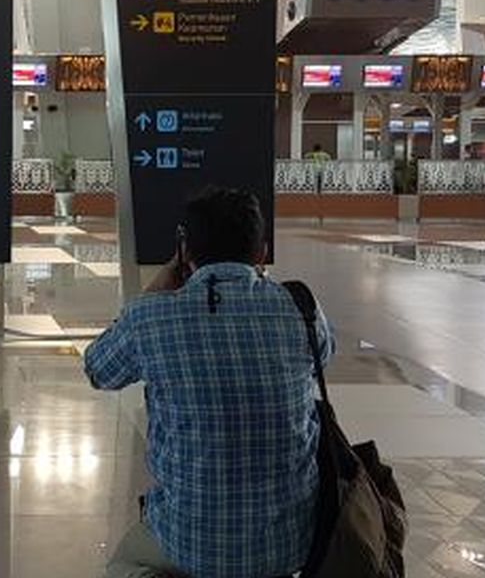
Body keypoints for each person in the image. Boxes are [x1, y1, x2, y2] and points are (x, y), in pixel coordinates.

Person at [85, 187, 334, 578]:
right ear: (262, 251)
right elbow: (324, 356)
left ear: (185, 252)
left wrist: (154, 291)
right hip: (292, 543)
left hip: (191, 542)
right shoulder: (300, 308)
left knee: (122, 563)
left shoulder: (150, 318)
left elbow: (97, 370)